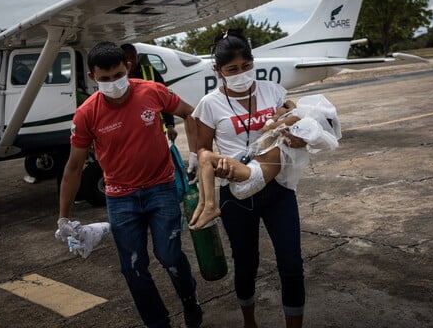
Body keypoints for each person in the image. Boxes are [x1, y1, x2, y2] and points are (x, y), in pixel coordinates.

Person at [58, 41, 202, 328]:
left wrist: (196, 154)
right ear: (92, 78)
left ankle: (189, 299)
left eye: (118, 75)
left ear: (128, 67)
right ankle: (157, 323)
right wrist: (63, 217)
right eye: (105, 79)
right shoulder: (87, 114)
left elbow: (190, 113)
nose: (114, 83)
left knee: (169, 254)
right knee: (133, 267)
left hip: (161, 188)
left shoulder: (152, 91)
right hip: (120, 197)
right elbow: (73, 168)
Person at [192, 29, 308, 328]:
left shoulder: (273, 91)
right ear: (218, 71)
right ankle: (249, 322)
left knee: (292, 265)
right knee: (246, 265)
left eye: (246, 66)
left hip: (278, 189)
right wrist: (217, 167)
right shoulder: (209, 104)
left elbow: (295, 122)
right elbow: (203, 149)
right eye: (232, 70)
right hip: (238, 194)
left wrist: (299, 139)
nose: (241, 74)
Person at [189, 95, 340, 230]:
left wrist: (275, 118)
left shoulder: (299, 121)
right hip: (253, 176)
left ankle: (207, 204)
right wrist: (288, 109)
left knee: (205, 157)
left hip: (253, 176)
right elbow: (287, 103)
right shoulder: (306, 132)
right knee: (205, 158)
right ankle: (205, 205)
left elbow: (267, 128)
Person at [121, 43, 178, 141]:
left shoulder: (150, 71)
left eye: (133, 57)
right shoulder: (118, 77)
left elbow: (165, 98)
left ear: (137, 56)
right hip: (130, 129)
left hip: (153, 126)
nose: (131, 61)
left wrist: (170, 125)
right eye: (127, 58)